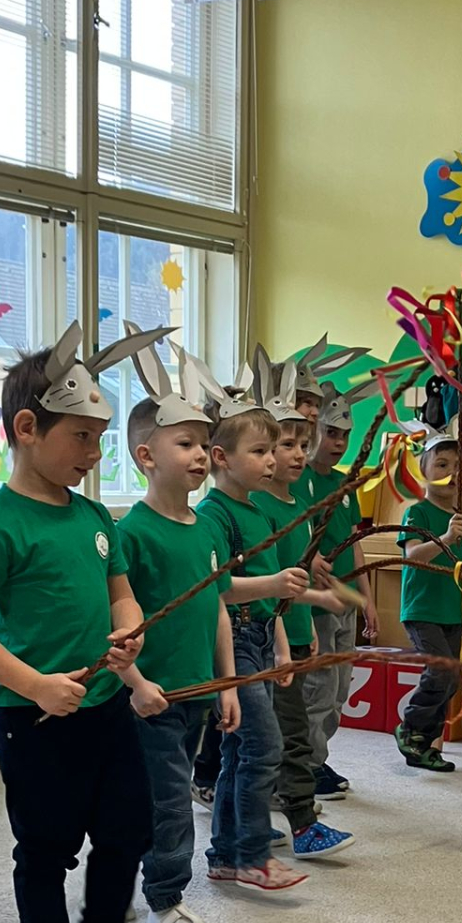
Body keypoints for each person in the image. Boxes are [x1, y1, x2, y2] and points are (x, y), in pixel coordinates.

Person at [0, 323, 168, 923]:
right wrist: (35, 685)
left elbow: (121, 594)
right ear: (27, 429)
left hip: (104, 707)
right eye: (81, 437)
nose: (94, 454)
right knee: (46, 846)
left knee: (128, 828)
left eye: (99, 438)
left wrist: (129, 628)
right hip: (32, 718)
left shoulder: (96, 516)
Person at [115, 335, 240, 923]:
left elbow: (216, 607)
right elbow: (115, 623)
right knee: (168, 803)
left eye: (203, 444)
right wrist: (137, 685)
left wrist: (227, 681)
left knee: (157, 797)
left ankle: (124, 886)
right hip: (152, 698)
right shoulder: (131, 533)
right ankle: (164, 904)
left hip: (197, 692)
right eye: (185, 444)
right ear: (146, 456)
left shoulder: (205, 528)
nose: (200, 455)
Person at [192, 382, 310, 893]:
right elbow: (218, 588)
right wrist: (274, 585)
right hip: (233, 641)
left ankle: (226, 854)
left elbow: (270, 592)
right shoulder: (214, 514)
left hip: (261, 637)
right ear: (222, 458)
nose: (271, 461)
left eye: (271, 450)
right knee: (263, 746)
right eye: (259, 451)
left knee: (240, 754)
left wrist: (281, 645)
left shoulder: (259, 509)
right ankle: (253, 853)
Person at [254, 389, 355, 859]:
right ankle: (301, 823)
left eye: (302, 444)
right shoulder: (260, 509)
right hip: (265, 643)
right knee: (282, 737)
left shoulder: (297, 507)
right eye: (285, 445)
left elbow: (298, 572)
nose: (297, 454)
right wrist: (319, 599)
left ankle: (250, 822)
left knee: (281, 736)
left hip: (293, 636)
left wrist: (309, 625)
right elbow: (270, 584)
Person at [304, 382, 378, 798]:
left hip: (347, 599)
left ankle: (319, 757)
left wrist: (368, 599)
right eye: (331, 433)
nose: (338, 443)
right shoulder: (297, 481)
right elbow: (293, 538)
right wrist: (311, 561)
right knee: (320, 686)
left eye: (345, 435)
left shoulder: (344, 483)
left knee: (340, 688)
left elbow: (355, 541)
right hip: (318, 601)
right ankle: (305, 765)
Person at [394, 418, 462, 773]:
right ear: (423, 472)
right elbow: (413, 556)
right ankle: (410, 727)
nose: (452, 473)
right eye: (442, 465)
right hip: (422, 608)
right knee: (441, 671)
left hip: (450, 610)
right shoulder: (417, 512)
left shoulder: (461, 520)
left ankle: (424, 744)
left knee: (453, 676)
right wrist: (444, 538)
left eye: (459, 466)